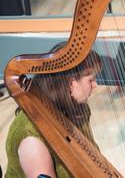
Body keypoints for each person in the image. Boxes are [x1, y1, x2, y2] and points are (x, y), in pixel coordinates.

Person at [5, 43, 102, 178]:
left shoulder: (79, 108)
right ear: (71, 82)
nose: (95, 85)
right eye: (91, 79)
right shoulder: (30, 137)